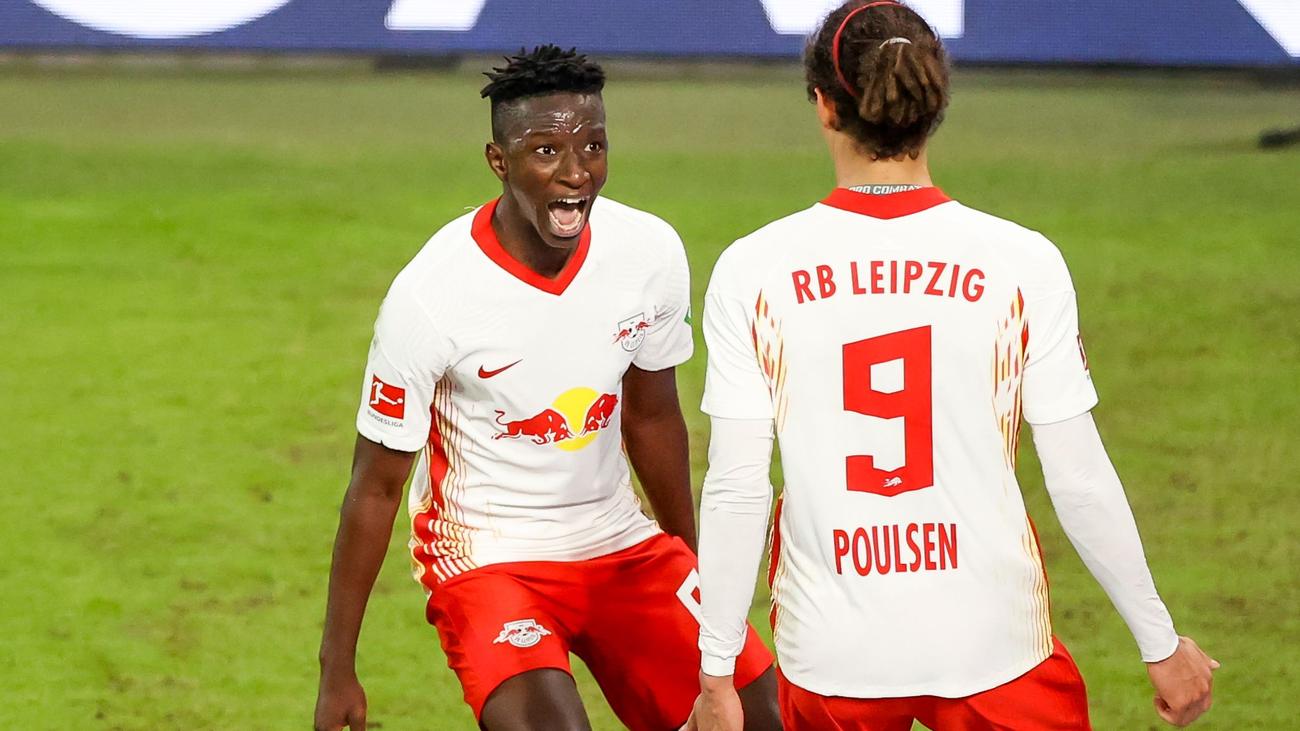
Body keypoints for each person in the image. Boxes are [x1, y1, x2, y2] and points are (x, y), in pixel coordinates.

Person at [685, 3, 1217, 730]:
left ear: (824, 106)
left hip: (834, 651)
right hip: (993, 640)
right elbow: (1078, 475)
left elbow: (738, 485)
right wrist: (1159, 641)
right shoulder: (1023, 261)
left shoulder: (753, 269)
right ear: (935, 104)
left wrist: (718, 670)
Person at [312, 46, 780, 731]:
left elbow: (652, 418)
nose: (576, 172)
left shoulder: (648, 253)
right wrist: (337, 667)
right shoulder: (432, 295)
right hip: (487, 556)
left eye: (593, 146)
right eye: (546, 151)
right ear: (499, 161)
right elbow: (376, 486)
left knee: (757, 717)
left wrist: (694, 566)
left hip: (618, 540)